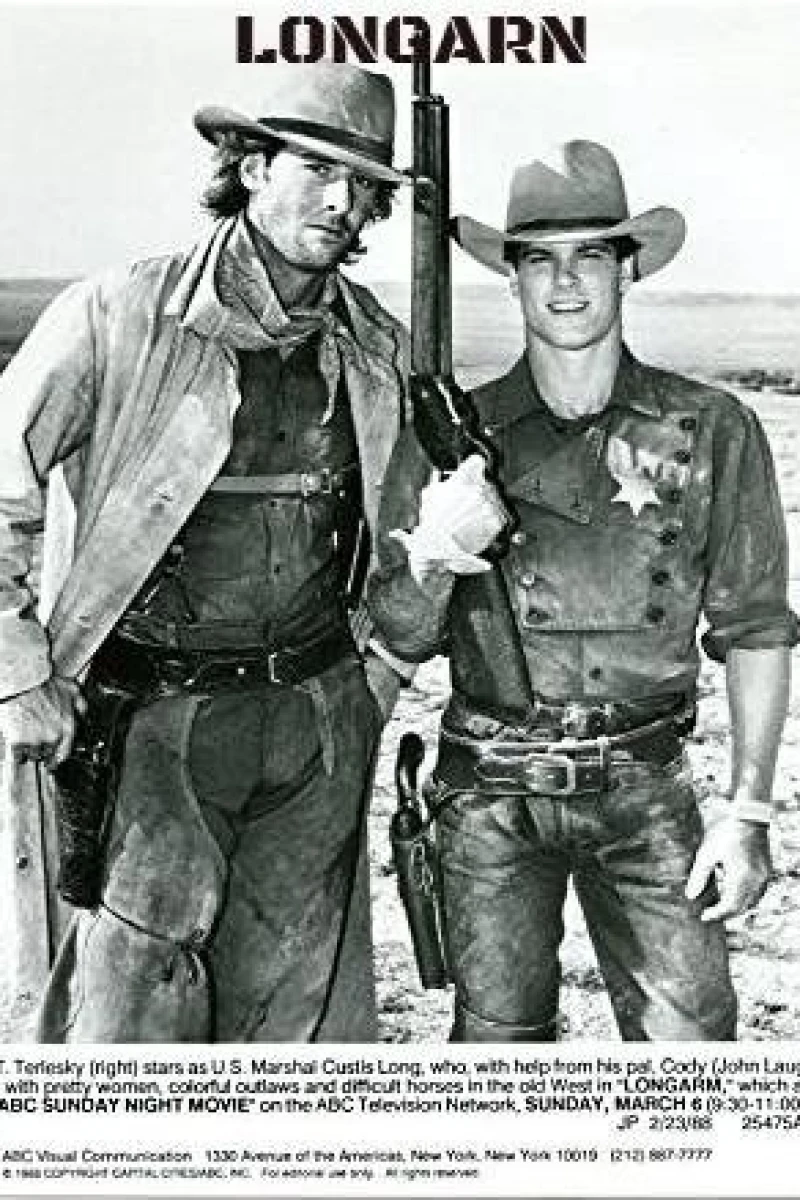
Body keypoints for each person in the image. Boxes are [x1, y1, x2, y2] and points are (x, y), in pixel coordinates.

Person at [0, 63, 416, 1043]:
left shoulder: (376, 347)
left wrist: (378, 679)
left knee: (290, 1031)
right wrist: (18, 674)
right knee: (124, 1027)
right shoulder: (117, 314)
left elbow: (403, 538)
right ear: (252, 165)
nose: (341, 202)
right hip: (150, 726)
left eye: (362, 184)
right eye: (317, 169)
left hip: (311, 727)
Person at [369, 140, 797, 1041]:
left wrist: (749, 812)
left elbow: (758, 628)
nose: (566, 282)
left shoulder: (712, 428)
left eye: (591, 255)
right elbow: (397, 634)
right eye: (540, 259)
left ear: (627, 269)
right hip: (487, 800)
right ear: (512, 278)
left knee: (692, 1058)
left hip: (646, 790)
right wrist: (436, 552)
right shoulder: (453, 435)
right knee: (497, 1056)